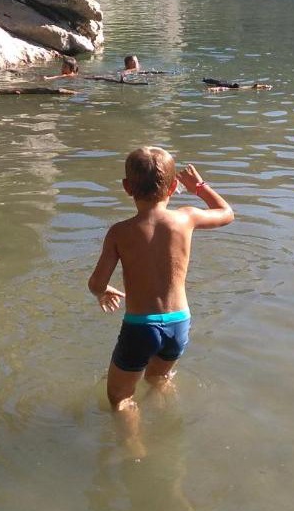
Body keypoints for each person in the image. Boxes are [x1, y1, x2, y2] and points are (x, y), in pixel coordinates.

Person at [87, 147, 234, 413]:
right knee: (158, 378)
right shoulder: (187, 217)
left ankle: (135, 446)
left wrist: (103, 292)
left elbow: (96, 283)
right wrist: (199, 187)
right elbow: (226, 213)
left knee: (119, 399)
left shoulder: (120, 232)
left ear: (127, 187)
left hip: (140, 327)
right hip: (179, 321)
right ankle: (169, 416)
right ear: (174, 186)